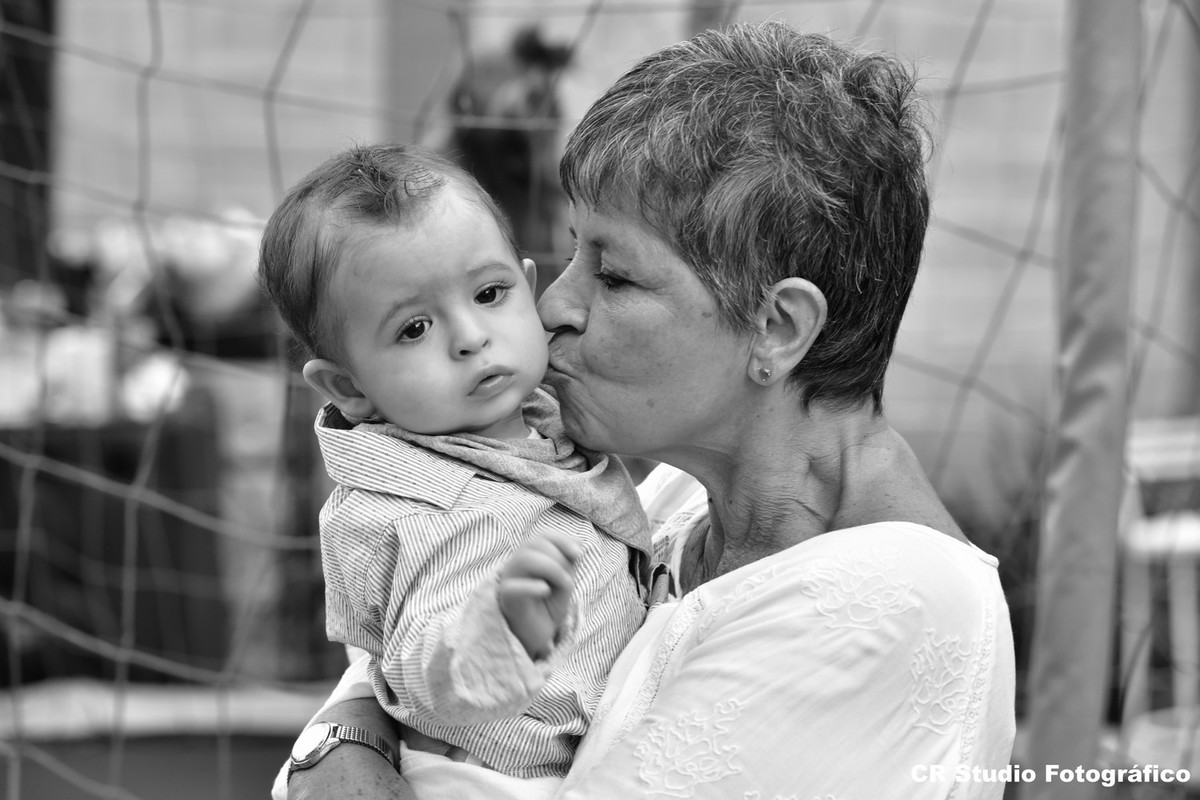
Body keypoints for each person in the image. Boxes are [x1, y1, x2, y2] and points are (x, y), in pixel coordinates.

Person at [282, 21, 1016, 800]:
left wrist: (345, 742)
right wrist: (347, 732)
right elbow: (403, 648)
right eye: (573, 250)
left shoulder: (897, 603)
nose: (553, 305)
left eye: (615, 277)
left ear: (777, 327)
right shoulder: (671, 500)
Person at [257, 143, 652, 798]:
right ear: (349, 387)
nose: (470, 336)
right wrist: (495, 636)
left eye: (490, 294)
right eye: (414, 329)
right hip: (482, 779)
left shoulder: (544, 425)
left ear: (529, 287)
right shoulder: (422, 510)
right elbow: (422, 661)